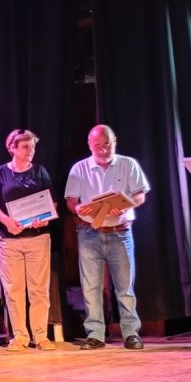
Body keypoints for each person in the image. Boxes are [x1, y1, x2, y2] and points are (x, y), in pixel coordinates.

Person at [64, 124, 149, 351]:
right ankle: (95, 334)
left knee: (125, 286)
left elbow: (140, 195)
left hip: (120, 232)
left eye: (107, 144)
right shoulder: (79, 168)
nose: (103, 150)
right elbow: (71, 201)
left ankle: (131, 333)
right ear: (89, 145)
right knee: (91, 286)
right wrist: (78, 208)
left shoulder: (128, 164)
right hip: (89, 233)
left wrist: (126, 205)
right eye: (97, 145)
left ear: (115, 142)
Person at [0, 129, 55, 351]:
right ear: (12, 148)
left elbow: (50, 202)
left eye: (32, 147)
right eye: (25, 147)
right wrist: (6, 220)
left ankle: (41, 336)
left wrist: (44, 218)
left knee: (39, 289)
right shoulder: (0, 172)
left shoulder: (40, 171)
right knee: (13, 290)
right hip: (8, 240)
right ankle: (20, 336)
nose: (29, 151)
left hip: (37, 238)